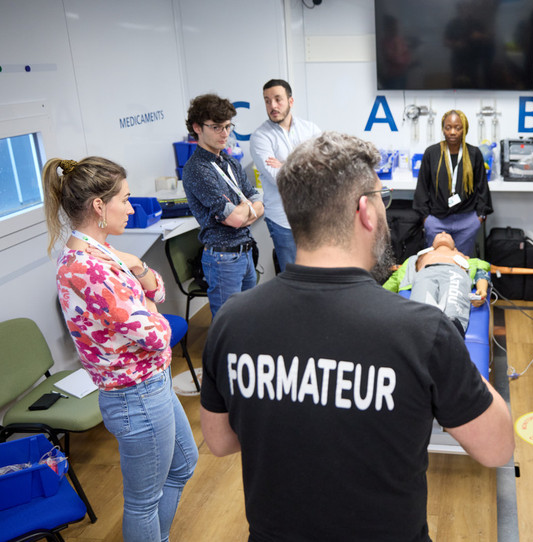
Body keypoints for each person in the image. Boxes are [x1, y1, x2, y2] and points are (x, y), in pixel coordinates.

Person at [200, 132, 514, 541]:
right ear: (366, 211)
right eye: (381, 198)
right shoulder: (423, 331)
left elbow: (220, 441)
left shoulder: (231, 321)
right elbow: (497, 448)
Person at [43, 157, 197, 542]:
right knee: (143, 501)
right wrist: (149, 305)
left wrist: (140, 269)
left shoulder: (105, 253)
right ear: (99, 206)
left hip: (153, 383)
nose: (131, 208)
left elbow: (159, 291)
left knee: (184, 464)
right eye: (125, 200)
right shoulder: (88, 268)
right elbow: (157, 335)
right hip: (138, 397)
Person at [183, 93, 264, 318]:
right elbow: (235, 219)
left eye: (228, 126)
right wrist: (249, 208)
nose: (225, 133)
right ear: (197, 128)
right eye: (217, 127)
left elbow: (259, 200)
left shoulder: (228, 162)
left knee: (248, 319)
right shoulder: (198, 169)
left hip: (245, 252)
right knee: (228, 324)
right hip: (223, 259)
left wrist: (246, 207)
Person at [250, 78, 321, 272]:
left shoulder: (311, 129)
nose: (272, 105)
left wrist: (286, 164)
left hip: (312, 216)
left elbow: (323, 172)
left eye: (277, 99)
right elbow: (277, 178)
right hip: (282, 220)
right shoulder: (260, 137)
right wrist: (304, 165)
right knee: (293, 276)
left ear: (290, 101)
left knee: (318, 272)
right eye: (267, 100)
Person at [413, 109, 493, 257]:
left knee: (460, 264)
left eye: (457, 127)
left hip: (467, 221)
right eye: (448, 127)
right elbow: (422, 187)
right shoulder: (432, 153)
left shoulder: (474, 153)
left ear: (464, 129)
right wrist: (426, 219)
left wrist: (479, 218)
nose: (452, 132)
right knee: (436, 262)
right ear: (443, 129)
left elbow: (482, 187)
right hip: (436, 221)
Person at [383, 231, 490, 336]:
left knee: (453, 305)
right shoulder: (419, 258)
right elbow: (395, 280)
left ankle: (452, 331)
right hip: (425, 274)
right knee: (422, 305)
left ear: (455, 246)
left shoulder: (465, 258)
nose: (443, 233)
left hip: (455, 273)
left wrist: (482, 289)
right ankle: (420, 329)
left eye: (448, 235)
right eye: (439, 235)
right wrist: (376, 298)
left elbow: (481, 272)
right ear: (431, 245)